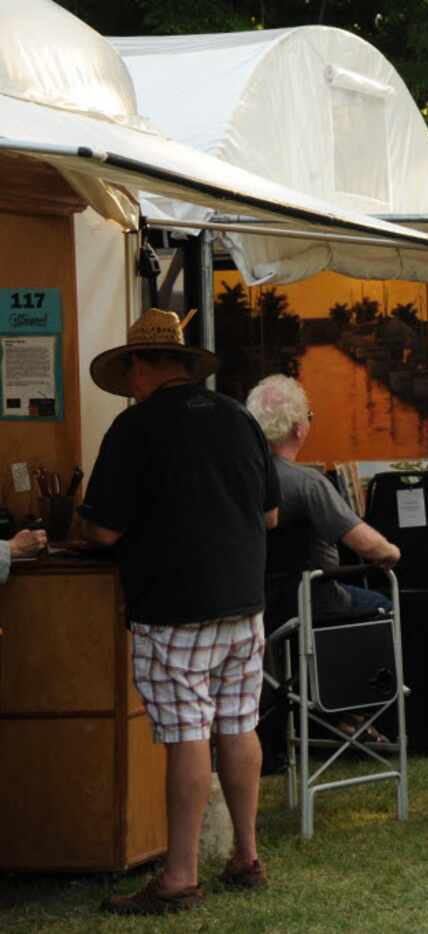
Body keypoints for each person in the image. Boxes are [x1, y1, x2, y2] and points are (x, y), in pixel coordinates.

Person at [80, 309, 279, 914]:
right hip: (243, 602)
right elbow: (270, 515)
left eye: (129, 373)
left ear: (139, 366)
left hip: (173, 607)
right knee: (238, 725)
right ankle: (245, 856)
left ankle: (179, 876)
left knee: (188, 735)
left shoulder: (135, 429)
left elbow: (103, 532)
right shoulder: (239, 418)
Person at [245, 376, 401, 615]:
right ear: (298, 429)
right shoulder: (308, 482)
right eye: (309, 417)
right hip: (315, 601)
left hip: (260, 604)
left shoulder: (243, 478)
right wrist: (391, 552)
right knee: (385, 605)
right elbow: (369, 546)